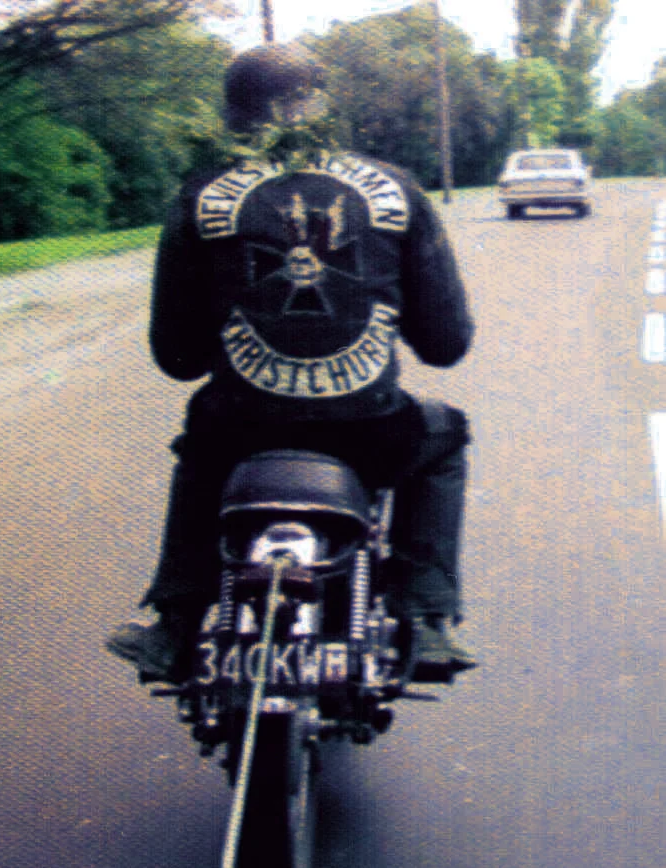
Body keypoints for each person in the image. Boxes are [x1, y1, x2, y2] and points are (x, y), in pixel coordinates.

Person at [107, 42, 477, 685]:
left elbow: (177, 358)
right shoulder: (396, 189)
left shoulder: (201, 196)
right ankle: (425, 614)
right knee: (445, 434)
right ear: (324, 107)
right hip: (370, 433)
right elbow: (446, 345)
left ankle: (176, 624)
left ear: (232, 114)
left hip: (241, 436)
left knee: (202, 436)